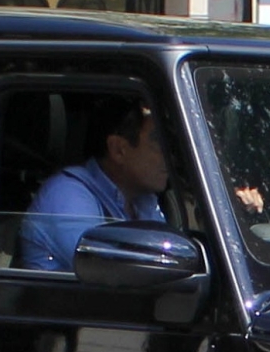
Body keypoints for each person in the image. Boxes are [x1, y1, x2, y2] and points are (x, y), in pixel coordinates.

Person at [18, 101, 171, 271]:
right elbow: (107, 271)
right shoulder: (66, 193)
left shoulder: (143, 201)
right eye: (157, 142)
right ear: (118, 150)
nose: (169, 155)